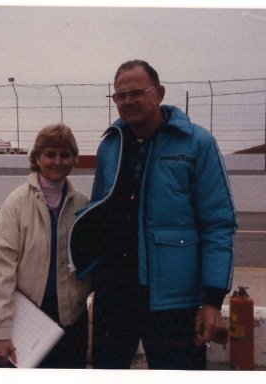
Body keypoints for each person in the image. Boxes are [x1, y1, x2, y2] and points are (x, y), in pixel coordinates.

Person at [69, 60, 237, 370]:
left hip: (174, 299)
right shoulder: (111, 145)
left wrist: (213, 301)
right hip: (114, 295)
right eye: (120, 95)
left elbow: (219, 224)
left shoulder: (197, 143)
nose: (128, 101)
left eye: (137, 92)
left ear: (158, 93)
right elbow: (99, 210)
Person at [0, 123, 91, 368]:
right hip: (28, 320)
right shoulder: (17, 204)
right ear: (37, 158)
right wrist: (0, 331)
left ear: (74, 159)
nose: (57, 161)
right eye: (50, 154)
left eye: (65, 155)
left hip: (71, 320)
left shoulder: (83, 205)